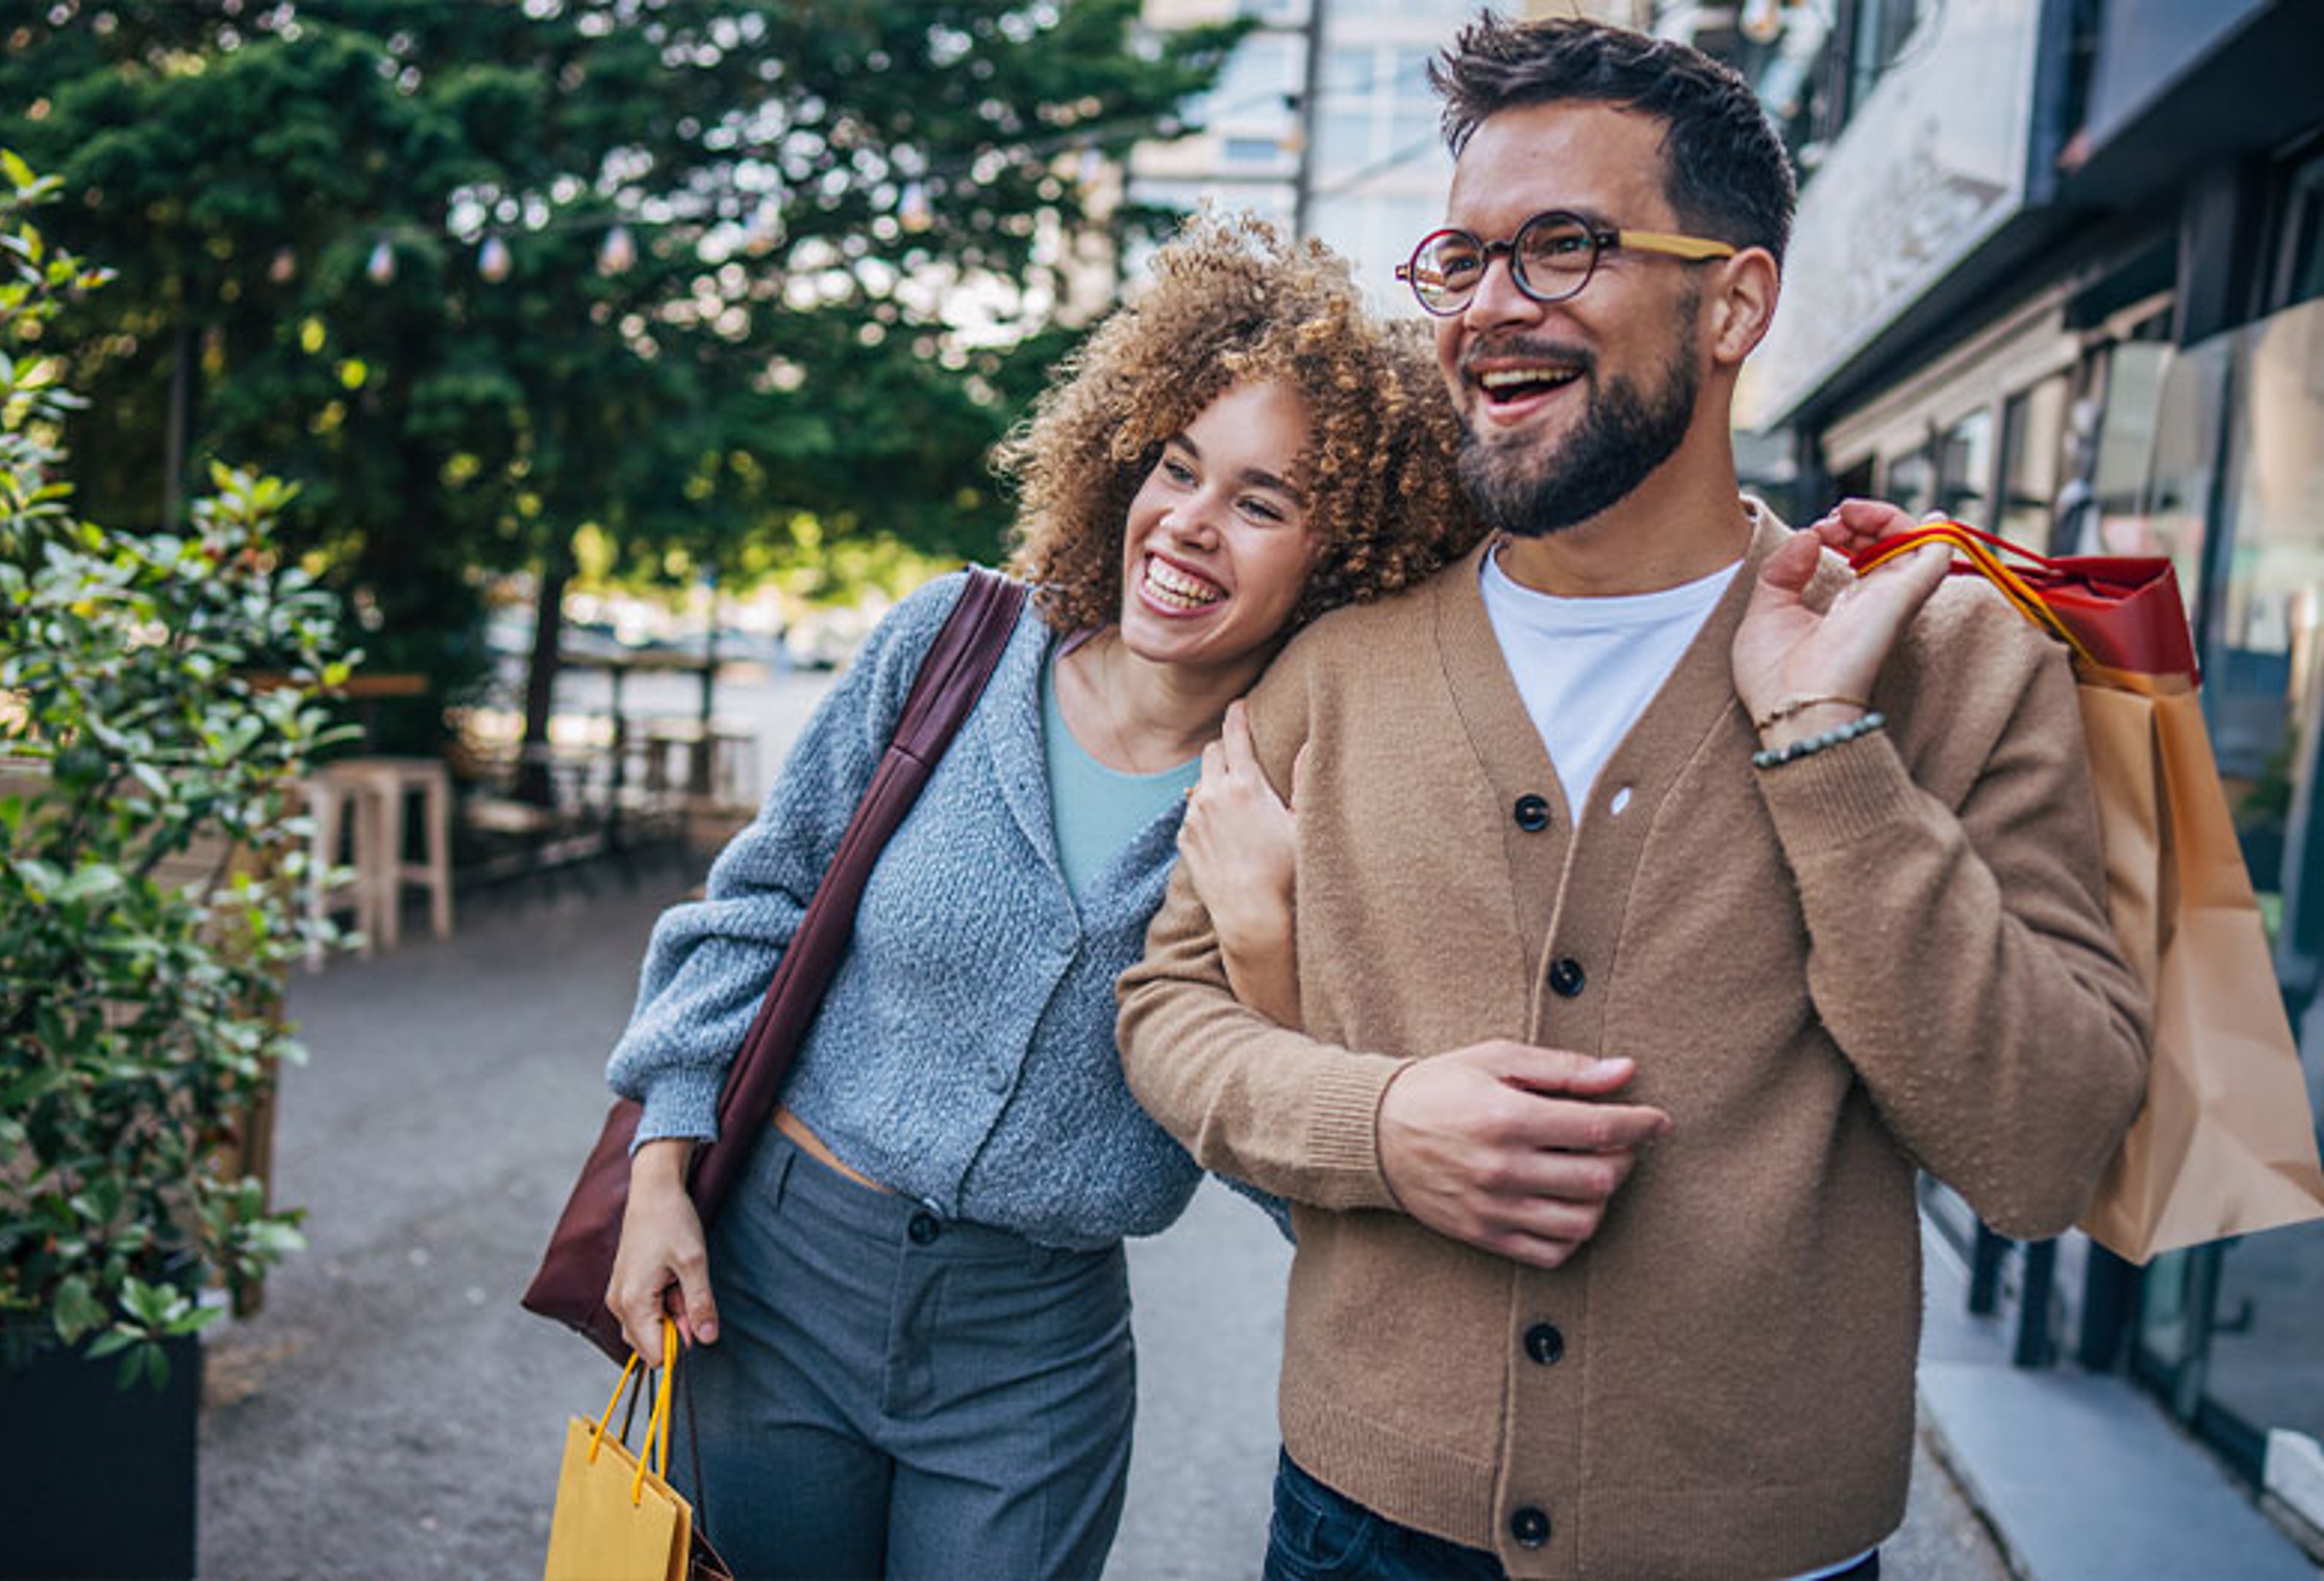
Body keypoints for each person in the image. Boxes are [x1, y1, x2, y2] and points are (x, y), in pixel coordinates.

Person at [1117, 18, 2151, 1581]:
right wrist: (1382, 1124)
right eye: (1462, 258)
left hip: (1758, 1549)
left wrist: (1823, 752)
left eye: (1562, 248)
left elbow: (2044, 1149)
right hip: (1356, 1521)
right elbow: (1166, 1015)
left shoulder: (1947, 660)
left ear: (1734, 300)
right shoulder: (1334, 670)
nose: (1487, 309)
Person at [597, 213, 1483, 1581]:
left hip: (1034, 1364)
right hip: (771, 1291)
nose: (1189, 524)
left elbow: (1309, 1170)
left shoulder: (1309, 793)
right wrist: (660, 1169)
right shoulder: (953, 645)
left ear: (1348, 554)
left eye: (1263, 501)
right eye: (1178, 467)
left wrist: (1264, 944)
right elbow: (756, 908)